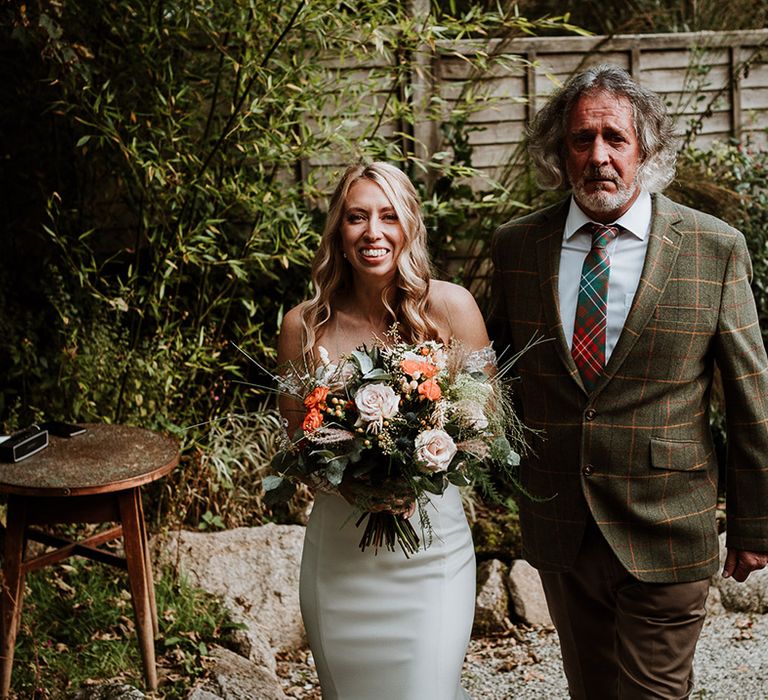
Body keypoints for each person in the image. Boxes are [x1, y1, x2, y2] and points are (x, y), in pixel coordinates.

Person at [487, 64, 768, 699]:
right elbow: (493, 376)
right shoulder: (517, 246)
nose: (598, 156)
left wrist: (756, 524)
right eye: (581, 139)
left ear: (646, 147)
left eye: (615, 137)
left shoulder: (712, 247)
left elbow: (752, 396)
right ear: (559, 153)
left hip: (668, 523)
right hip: (562, 525)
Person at [277, 161, 488, 700]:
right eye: (356, 217)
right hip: (339, 553)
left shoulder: (451, 307)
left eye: (388, 216)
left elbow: (485, 427)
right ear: (337, 232)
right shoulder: (303, 325)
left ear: (409, 226)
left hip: (432, 550)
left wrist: (421, 465)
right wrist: (352, 477)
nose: (373, 233)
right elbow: (296, 441)